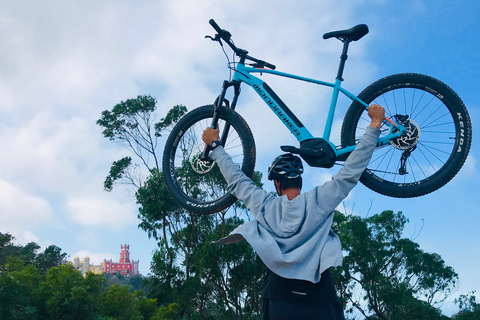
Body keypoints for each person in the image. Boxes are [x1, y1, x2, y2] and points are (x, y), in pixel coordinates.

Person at [202, 104, 385, 320]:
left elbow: (237, 179)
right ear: (299, 180)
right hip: (320, 295)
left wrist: (214, 145)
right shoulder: (319, 201)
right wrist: (374, 125)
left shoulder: (265, 206)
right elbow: (350, 172)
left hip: (278, 295)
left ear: (277, 185)